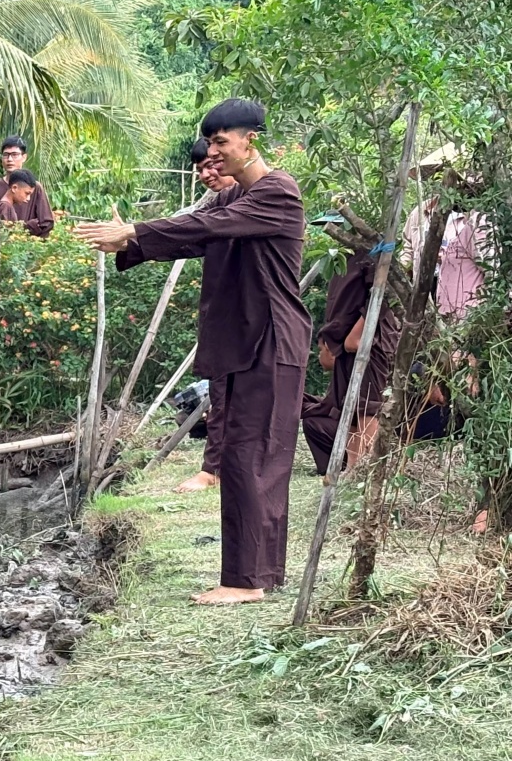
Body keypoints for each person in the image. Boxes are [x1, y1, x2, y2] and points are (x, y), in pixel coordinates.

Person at [78, 98, 309, 605]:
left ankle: (247, 581)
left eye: (222, 143)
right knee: (244, 456)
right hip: (240, 343)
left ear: (252, 140)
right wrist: (129, 244)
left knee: (255, 459)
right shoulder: (231, 201)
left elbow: (204, 228)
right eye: (211, 144)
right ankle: (259, 575)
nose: (214, 153)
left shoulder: (277, 193)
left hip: (271, 341)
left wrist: (135, 231)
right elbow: (194, 233)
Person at [176, 137, 242, 494]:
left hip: (247, 320)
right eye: (200, 169)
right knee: (221, 394)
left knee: (232, 397)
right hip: (225, 316)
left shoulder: (251, 201)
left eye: (212, 165)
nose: (206, 174)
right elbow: (181, 226)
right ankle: (214, 467)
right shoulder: (219, 203)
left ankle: (214, 469)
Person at [301, 247, 397, 475]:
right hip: (347, 344)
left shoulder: (374, 255)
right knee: (351, 408)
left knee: (367, 407)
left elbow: (383, 295)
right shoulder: (341, 256)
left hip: (371, 341)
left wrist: (357, 333)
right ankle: (353, 468)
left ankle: (367, 469)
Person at [0, 138, 55, 236]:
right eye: (6, 155)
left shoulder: (35, 187)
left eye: (14, 155)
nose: (9, 159)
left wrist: (26, 231)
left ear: (24, 157)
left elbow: (46, 223)